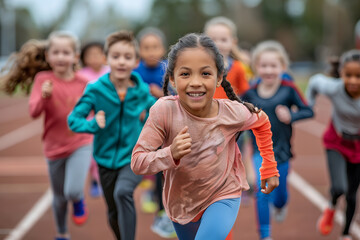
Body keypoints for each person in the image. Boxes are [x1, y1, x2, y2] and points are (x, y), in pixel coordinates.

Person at [131, 33, 280, 240]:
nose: (195, 82)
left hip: (223, 194)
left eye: (205, 74)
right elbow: (138, 162)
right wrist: (170, 153)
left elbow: (262, 121)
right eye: (185, 74)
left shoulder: (232, 112)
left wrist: (269, 167)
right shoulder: (163, 111)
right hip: (181, 202)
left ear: (219, 78)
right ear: (172, 78)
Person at [1, 31, 93, 240]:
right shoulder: (43, 80)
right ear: (48, 56)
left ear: (75, 56)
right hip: (53, 147)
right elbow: (34, 112)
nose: (61, 57)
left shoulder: (84, 82)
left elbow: (97, 108)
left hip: (81, 142)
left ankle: (78, 199)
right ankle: (62, 233)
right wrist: (44, 96)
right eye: (56, 52)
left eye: (66, 52)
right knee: (59, 197)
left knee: (71, 191)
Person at [67, 30, 156, 240]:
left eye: (127, 57)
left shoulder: (141, 90)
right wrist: (93, 125)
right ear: (107, 59)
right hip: (104, 160)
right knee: (113, 213)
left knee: (123, 192)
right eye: (116, 57)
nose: (121, 62)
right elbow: (74, 120)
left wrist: (148, 127)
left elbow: (157, 113)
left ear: (136, 61)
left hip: (133, 156)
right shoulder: (96, 89)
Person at [242, 40, 314, 240]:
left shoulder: (289, 89)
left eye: (273, 66)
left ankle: (281, 205)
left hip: (282, 152)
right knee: (261, 189)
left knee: (280, 196)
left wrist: (291, 116)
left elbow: (308, 110)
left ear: (282, 67)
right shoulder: (250, 91)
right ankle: (265, 235)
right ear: (256, 67)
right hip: (260, 152)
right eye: (263, 65)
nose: (268, 70)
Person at [306, 49, 360, 240]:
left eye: (358, 77)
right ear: (341, 74)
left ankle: (345, 234)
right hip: (335, 142)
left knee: (352, 196)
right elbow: (314, 82)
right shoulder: (333, 88)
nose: (353, 81)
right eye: (348, 75)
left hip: (358, 147)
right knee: (340, 188)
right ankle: (331, 206)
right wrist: (310, 103)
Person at [134, 27, 177, 238]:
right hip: (143, 127)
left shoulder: (168, 68)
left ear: (163, 48)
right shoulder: (135, 72)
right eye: (146, 47)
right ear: (139, 50)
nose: (151, 51)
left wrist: (159, 93)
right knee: (148, 165)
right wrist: (141, 109)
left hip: (167, 125)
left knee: (164, 167)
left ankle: (163, 209)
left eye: (155, 47)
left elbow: (176, 94)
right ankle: (151, 194)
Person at [78, 41, 110, 198]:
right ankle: (95, 180)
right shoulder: (81, 75)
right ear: (84, 58)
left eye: (98, 54)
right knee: (91, 154)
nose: (95, 57)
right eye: (90, 55)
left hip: (109, 119)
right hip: (91, 120)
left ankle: (101, 179)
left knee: (104, 150)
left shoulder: (109, 72)